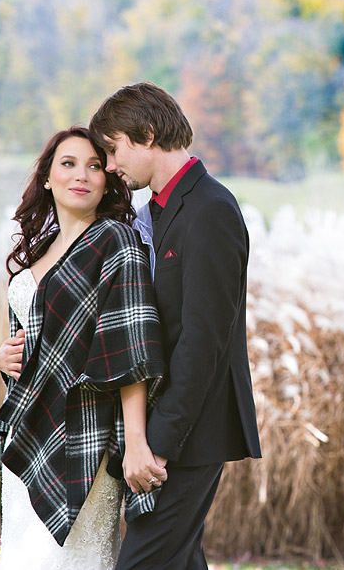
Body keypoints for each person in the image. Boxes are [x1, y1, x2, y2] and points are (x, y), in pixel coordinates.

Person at [89, 82, 261, 570]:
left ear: (146, 135)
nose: (113, 165)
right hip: (173, 429)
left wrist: (156, 445)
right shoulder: (158, 212)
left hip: (190, 432)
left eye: (114, 149)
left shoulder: (211, 210)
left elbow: (203, 343)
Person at [0, 127, 168, 570]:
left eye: (95, 165)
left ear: (108, 180)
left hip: (85, 437)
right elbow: (27, 345)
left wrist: (137, 441)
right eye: (68, 164)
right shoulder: (36, 252)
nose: (81, 175)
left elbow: (131, 350)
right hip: (28, 437)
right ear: (48, 177)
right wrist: (1, 359)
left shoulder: (116, 242)